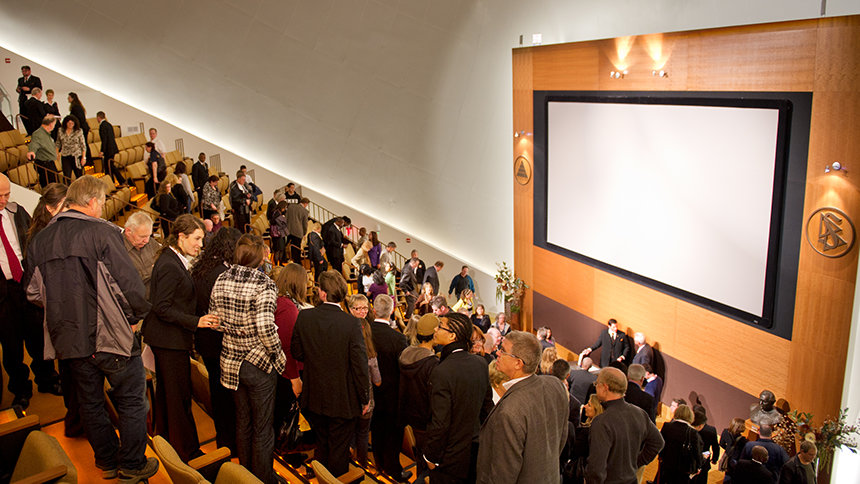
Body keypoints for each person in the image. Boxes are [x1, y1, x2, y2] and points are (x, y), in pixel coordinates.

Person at [26, 175, 158, 481]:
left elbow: (32, 292)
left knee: (91, 402)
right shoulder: (102, 232)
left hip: (68, 338)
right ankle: (132, 464)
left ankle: (107, 461)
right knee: (131, 399)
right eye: (104, 202)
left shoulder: (41, 240)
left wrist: (62, 308)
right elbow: (128, 285)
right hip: (109, 334)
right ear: (94, 201)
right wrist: (136, 315)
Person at [210, 234, 285, 484]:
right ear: (260, 257)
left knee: (243, 422)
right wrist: (278, 355)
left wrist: (235, 330)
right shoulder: (264, 284)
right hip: (258, 363)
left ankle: (245, 476)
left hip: (230, 362)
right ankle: (263, 479)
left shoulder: (221, 278)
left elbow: (214, 320)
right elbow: (265, 328)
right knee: (262, 427)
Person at [141, 214, 213, 462]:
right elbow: (162, 307)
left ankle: (167, 442)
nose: (200, 245)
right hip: (169, 341)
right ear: (181, 236)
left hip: (167, 339)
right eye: (197, 239)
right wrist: (196, 321)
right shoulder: (170, 265)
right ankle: (187, 452)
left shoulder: (172, 259)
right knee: (178, 398)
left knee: (168, 395)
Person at [291, 270, 371, 477]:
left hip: (314, 396)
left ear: (323, 293)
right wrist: (365, 398)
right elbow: (360, 366)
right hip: (343, 400)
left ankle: (322, 477)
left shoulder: (305, 317)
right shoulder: (351, 323)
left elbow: (296, 352)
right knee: (339, 450)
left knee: (322, 444)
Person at [0, 174, 60, 410]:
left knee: (38, 338)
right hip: (3, 293)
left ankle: (47, 379)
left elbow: (33, 243)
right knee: (11, 346)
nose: (4, 199)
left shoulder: (17, 212)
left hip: (26, 284)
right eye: (0, 195)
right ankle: (20, 389)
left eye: (7, 194)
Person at [476, 331, 569, 484]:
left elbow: (503, 473)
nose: (497, 353)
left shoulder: (509, 410)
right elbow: (560, 439)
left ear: (518, 363)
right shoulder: (556, 385)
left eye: (503, 350)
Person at [424, 312, 493, 484]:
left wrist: (431, 456)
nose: (435, 329)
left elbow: (440, 422)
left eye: (440, 326)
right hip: (475, 452)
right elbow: (487, 409)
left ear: (452, 336)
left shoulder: (442, 371)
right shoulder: (480, 363)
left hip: (449, 458)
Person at [191, 227, 242, 451]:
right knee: (227, 396)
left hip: (205, 342)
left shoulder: (203, 268)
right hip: (220, 342)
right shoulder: (223, 274)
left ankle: (225, 440)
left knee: (218, 391)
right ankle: (231, 442)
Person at [585, 367, 664, 483]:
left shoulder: (602, 422)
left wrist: (636, 462)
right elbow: (658, 442)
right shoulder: (639, 413)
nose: (596, 387)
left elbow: (596, 469)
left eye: (597, 384)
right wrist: (636, 463)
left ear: (605, 387)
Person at [366, 294, 410, 481]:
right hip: (392, 394)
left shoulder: (365, 332)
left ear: (373, 310)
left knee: (376, 430)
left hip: (370, 392)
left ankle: (379, 464)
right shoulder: (398, 338)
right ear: (392, 311)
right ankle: (393, 469)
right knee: (392, 434)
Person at [272, 263, 312, 456]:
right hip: (288, 373)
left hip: (285, 371)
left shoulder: (282, 302)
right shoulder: (288, 307)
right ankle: (286, 450)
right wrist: (295, 379)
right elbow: (287, 347)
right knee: (285, 415)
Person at [399, 314, 440, 477]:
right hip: (425, 419)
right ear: (434, 333)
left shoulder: (405, 354)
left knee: (419, 458)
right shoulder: (431, 363)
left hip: (409, 416)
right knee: (427, 463)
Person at [345, 294, 381, 468]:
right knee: (362, 431)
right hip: (362, 394)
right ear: (350, 309)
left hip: (350, 393)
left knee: (354, 430)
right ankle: (362, 464)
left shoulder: (364, 325)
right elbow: (377, 380)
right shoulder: (369, 353)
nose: (362, 311)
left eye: (365, 308)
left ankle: (353, 458)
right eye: (357, 308)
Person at [657, 404, 703, 483]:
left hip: (666, 464)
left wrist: (661, 457)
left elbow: (660, 444)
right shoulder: (693, 432)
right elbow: (696, 452)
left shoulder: (667, 426)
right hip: (683, 469)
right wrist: (699, 466)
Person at [122, 211, 160, 299]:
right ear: (128, 231)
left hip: (158, 298)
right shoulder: (117, 249)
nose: (146, 240)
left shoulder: (152, 243)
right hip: (136, 302)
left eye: (149, 236)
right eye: (142, 237)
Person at [26, 114, 58, 186]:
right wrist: (31, 151)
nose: (54, 126)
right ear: (50, 124)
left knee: (55, 184)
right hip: (44, 164)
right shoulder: (38, 134)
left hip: (50, 163)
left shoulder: (46, 134)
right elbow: (34, 144)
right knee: (50, 185)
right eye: (54, 124)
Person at [692, 406, 719, 484]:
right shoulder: (711, 430)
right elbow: (715, 447)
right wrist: (714, 459)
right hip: (704, 462)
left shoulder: (689, 428)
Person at [55, 114, 87, 181]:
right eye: (69, 123)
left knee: (79, 175)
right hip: (65, 155)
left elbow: (83, 145)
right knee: (66, 176)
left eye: (72, 123)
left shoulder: (78, 131)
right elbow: (58, 143)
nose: (70, 125)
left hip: (76, 156)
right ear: (66, 123)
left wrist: (83, 157)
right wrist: (57, 153)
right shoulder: (60, 130)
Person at [97, 111, 124, 185]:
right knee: (110, 166)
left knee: (109, 166)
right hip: (113, 148)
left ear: (98, 118)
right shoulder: (109, 124)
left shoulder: (102, 126)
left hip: (108, 150)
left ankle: (118, 181)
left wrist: (102, 150)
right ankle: (113, 181)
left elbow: (104, 139)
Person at [720, 417, 749, 483]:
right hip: (736, 459)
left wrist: (728, 449)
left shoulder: (725, 432)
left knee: (727, 473)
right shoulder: (743, 440)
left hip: (728, 456)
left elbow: (721, 444)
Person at [67, 92, 90, 162]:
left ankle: (84, 160)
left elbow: (74, 118)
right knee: (85, 144)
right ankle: (88, 160)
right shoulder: (79, 106)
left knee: (82, 145)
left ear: (72, 98)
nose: (68, 99)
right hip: (84, 127)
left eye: (69, 97)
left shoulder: (75, 107)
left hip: (81, 128)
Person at [286, 197, 309, 262]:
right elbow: (305, 224)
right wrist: (304, 233)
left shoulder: (291, 207)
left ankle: (289, 259)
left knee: (289, 246)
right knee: (297, 247)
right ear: (305, 203)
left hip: (288, 229)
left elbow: (286, 217)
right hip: (298, 232)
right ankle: (297, 261)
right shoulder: (305, 211)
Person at [270, 201, 289, 265]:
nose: (285, 209)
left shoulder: (276, 212)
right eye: (285, 207)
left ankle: (278, 263)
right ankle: (277, 264)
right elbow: (278, 223)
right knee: (279, 250)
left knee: (279, 249)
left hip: (276, 234)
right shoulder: (277, 213)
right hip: (277, 234)